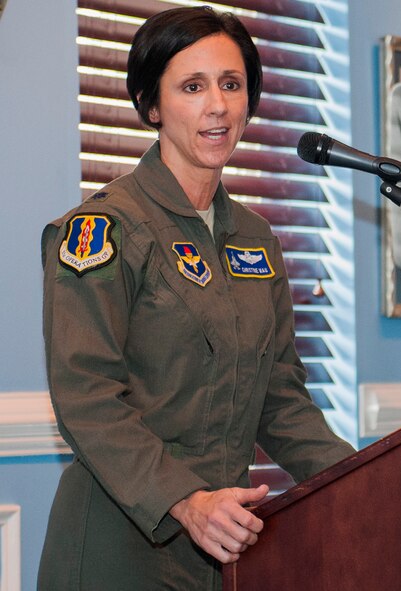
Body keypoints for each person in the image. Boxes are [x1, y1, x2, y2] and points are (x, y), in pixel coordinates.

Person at [38, 7, 355, 590]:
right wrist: (185, 501)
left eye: (232, 85)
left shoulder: (256, 238)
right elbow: (87, 398)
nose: (218, 106)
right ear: (151, 106)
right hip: (119, 545)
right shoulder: (103, 228)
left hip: (220, 548)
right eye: (193, 86)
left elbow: (280, 399)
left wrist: (367, 480)